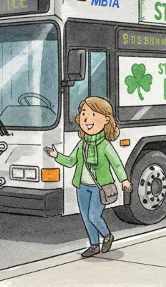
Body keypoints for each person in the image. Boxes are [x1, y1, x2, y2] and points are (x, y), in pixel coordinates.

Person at [44, 96, 132, 258]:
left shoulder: (105, 145)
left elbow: (117, 163)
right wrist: (56, 155)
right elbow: (70, 162)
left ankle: (107, 235)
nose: (87, 119)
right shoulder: (82, 144)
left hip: (100, 187)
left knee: (93, 215)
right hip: (83, 186)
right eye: (84, 114)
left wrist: (124, 180)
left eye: (93, 115)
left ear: (106, 120)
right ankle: (93, 245)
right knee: (85, 217)